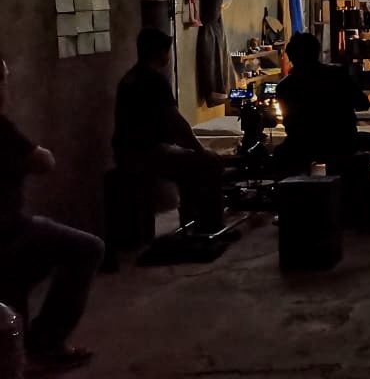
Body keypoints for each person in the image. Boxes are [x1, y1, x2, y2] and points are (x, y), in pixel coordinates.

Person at [0, 55, 102, 369]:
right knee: (88, 248)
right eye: (3, 79)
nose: (7, 87)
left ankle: (19, 348)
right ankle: (46, 343)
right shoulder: (1, 128)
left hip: (11, 228)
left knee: (20, 273)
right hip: (9, 229)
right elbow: (45, 161)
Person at [112, 29, 225, 235]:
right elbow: (176, 122)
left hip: (126, 152)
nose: (169, 55)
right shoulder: (153, 82)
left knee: (189, 161)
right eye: (168, 51)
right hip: (146, 154)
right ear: (159, 53)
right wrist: (200, 150)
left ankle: (192, 223)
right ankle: (207, 229)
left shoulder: (129, 79)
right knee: (209, 163)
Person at [274, 33, 370, 173]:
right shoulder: (337, 75)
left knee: (280, 155)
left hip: (303, 145)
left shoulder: (284, 86)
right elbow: (363, 104)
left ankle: (297, 185)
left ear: (290, 57)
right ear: (317, 53)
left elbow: (289, 123)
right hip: (341, 142)